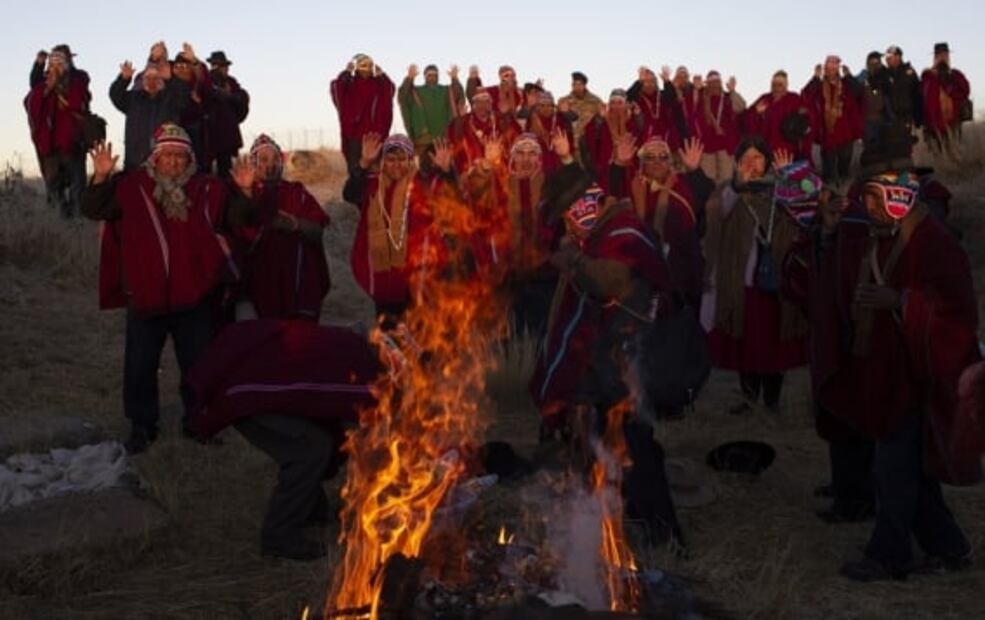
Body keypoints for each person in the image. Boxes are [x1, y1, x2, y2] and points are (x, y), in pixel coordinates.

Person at [786, 161, 982, 581]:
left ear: (897, 196)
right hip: (890, 373)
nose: (867, 207)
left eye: (874, 198)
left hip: (918, 377)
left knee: (893, 468)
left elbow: (959, 314)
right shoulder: (884, 235)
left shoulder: (933, 242)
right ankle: (949, 547)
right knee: (911, 470)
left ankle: (890, 554)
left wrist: (900, 302)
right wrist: (829, 235)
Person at [81, 124, 256, 454]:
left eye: (180, 156)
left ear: (190, 159)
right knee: (140, 367)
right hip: (145, 296)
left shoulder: (209, 188)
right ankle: (142, 428)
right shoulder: (131, 186)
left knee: (199, 366)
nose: (174, 162)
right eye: (167, 155)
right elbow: (93, 209)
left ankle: (198, 423)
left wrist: (246, 192)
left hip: (194, 297)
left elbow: (239, 218)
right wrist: (101, 177)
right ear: (155, 158)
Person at [530, 181, 683, 546]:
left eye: (571, 214)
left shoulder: (625, 231)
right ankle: (607, 525)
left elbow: (610, 282)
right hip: (602, 361)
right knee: (599, 442)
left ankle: (663, 534)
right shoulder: (599, 234)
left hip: (629, 360)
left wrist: (575, 259)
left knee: (636, 447)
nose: (569, 224)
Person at [187, 319, 381, 560]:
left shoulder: (355, 349)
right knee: (311, 451)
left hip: (255, 382)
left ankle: (310, 507)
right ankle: (279, 535)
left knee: (324, 441)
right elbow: (358, 435)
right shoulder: (362, 374)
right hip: (251, 395)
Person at [701, 137, 807, 414]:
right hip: (742, 282)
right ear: (737, 163)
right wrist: (738, 185)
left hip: (776, 283)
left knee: (773, 342)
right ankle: (749, 397)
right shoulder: (729, 191)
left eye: (757, 158)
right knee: (746, 342)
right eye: (745, 158)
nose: (752, 164)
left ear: (768, 162)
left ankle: (772, 400)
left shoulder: (782, 189)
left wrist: (790, 178)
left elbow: (804, 209)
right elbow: (717, 212)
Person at [342, 133, 459, 324]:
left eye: (402, 159)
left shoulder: (422, 185)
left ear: (410, 160)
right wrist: (363, 163)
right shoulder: (372, 184)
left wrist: (446, 172)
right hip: (384, 277)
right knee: (388, 332)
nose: (396, 165)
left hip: (416, 278)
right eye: (391, 159)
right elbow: (349, 194)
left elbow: (451, 200)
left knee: (418, 331)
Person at [232, 135, 330, 322]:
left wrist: (294, 224)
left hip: (297, 282)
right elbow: (238, 229)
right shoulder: (244, 193)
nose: (269, 165)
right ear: (253, 163)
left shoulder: (297, 192)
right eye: (263, 159)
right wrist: (245, 192)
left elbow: (317, 231)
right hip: (257, 285)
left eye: (274, 159)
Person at [610, 137, 714, 310]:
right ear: (642, 163)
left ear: (670, 162)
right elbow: (611, 196)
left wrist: (694, 170)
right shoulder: (634, 186)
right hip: (642, 275)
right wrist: (619, 164)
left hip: (684, 274)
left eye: (663, 157)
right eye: (650, 157)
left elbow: (708, 194)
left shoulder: (682, 182)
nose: (657, 161)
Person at [24, 48, 91, 217]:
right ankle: (58, 225)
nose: (55, 68)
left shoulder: (77, 81)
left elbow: (79, 103)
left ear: (67, 64)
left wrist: (60, 87)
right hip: (50, 148)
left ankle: (78, 224)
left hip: (73, 145)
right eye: (52, 64)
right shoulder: (42, 85)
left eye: (59, 64)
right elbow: (30, 104)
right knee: (54, 191)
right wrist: (46, 90)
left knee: (77, 189)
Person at [110, 61, 187, 170]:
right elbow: (116, 95)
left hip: (164, 164)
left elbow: (184, 97)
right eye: (148, 78)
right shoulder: (133, 99)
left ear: (162, 80)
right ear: (142, 81)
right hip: (135, 162)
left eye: (156, 78)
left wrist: (171, 79)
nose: (151, 81)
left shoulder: (172, 99)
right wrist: (123, 79)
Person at [801, 56, 863, 183]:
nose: (830, 71)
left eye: (833, 68)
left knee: (844, 161)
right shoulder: (819, 86)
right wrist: (815, 77)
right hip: (827, 130)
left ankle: (844, 182)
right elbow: (806, 94)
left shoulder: (846, 84)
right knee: (828, 164)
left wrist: (849, 76)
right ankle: (829, 185)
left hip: (846, 129)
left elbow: (860, 92)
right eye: (828, 69)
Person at [331, 54, 396, 173]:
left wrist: (382, 76)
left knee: (375, 172)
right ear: (357, 67)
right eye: (363, 65)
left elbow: (389, 91)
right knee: (356, 171)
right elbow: (337, 89)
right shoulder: (350, 83)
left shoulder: (378, 84)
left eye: (370, 65)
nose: (367, 68)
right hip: (354, 135)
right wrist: (346, 73)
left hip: (375, 135)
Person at [580, 88, 644, 195]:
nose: (616, 106)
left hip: (629, 168)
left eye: (620, 103)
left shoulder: (633, 120)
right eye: (613, 102)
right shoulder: (602, 119)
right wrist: (599, 118)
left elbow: (641, 138)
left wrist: (639, 117)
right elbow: (589, 136)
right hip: (606, 168)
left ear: (625, 104)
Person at [446, 88, 522, 175]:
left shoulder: (501, 120)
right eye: (478, 101)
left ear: (491, 103)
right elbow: (454, 148)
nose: (482, 105)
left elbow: (518, 138)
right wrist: (458, 122)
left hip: (500, 175)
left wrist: (508, 116)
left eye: (486, 101)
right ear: (473, 104)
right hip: (474, 176)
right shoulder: (463, 123)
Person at [743, 70, 813, 161]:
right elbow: (746, 120)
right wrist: (755, 112)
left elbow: (807, 122)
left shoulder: (794, 99)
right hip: (765, 152)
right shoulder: (764, 99)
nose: (776, 87)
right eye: (774, 84)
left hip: (787, 153)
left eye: (780, 84)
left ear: (786, 85)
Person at [398, 63, 465, 157]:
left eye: (435, 75)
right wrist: (409, 78)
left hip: (443, 137)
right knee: (424, 162)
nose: (432, 77)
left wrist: (454, 78)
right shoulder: (417, 91)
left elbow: (458, 96)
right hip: (424, 137)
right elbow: (403, 95)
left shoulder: (446, 90)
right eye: (430, 75)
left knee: (444, 162)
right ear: (425, 77)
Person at [693, 72, 745, 186]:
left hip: (725, 145)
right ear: (707, 84)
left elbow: (741, 107)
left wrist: (733, 91)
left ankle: (725, 197)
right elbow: (691, 108)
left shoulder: (727, 98)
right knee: (707, 180)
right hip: (706, 146)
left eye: (717, 82)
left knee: (726, 179)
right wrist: (696, 90)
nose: (715, 85)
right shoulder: (701, 97)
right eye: (712, 82)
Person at [920, 42, 971, 157]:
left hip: (952, 122)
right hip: (932, 124)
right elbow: (924, 97)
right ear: (935, 57)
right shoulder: (928, 76)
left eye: (945, 54)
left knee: (953, 151)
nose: (943, 57)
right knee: (934, 154)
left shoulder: (955, 74)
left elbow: (965, 91)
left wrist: (950, 89)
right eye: (940, 55)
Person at [205, 50, 250, 178]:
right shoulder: (206, 82)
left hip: (228, 139)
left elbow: (242, 102)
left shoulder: (231, 83)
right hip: (210, 139)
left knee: (228, 174)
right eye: (218, 65)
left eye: (224, 66)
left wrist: (230, 96)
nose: (223, 69)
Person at [526, 91, 576, 174]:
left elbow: (574, 117)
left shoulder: (561, 119)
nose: (546, 108)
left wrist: (566, 112)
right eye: (542, 105)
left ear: (553, 107)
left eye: (549, 105)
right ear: (537, 107)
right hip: (538, 169)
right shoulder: (532, 120)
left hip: (560, 166)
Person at [627, 66, 677, 147]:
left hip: (665, 140)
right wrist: (639, 82)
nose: (649, 84)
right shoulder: (637, 98)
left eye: (652, 81)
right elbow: (627, 98)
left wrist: (667, 82)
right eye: (645, 81)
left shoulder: (662, 95)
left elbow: (672, 98)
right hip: (644, 141)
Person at [883, 45, 923, 143]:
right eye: (887, 57)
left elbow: (917, 95)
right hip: (890, 117)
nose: (887, 59)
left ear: (898, 57)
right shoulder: (885, 74)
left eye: (890, 57)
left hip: (907, 115)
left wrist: (918, 118)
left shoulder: (909, 73)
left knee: (906, 142)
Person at [559, 71, 604, 151]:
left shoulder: (595, 101)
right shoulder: (564, 101)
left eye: (579, 84)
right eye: (574, 84)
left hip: (590, 145)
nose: (577, 87)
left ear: (584, 85)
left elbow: (603, 118)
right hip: (569, 145)